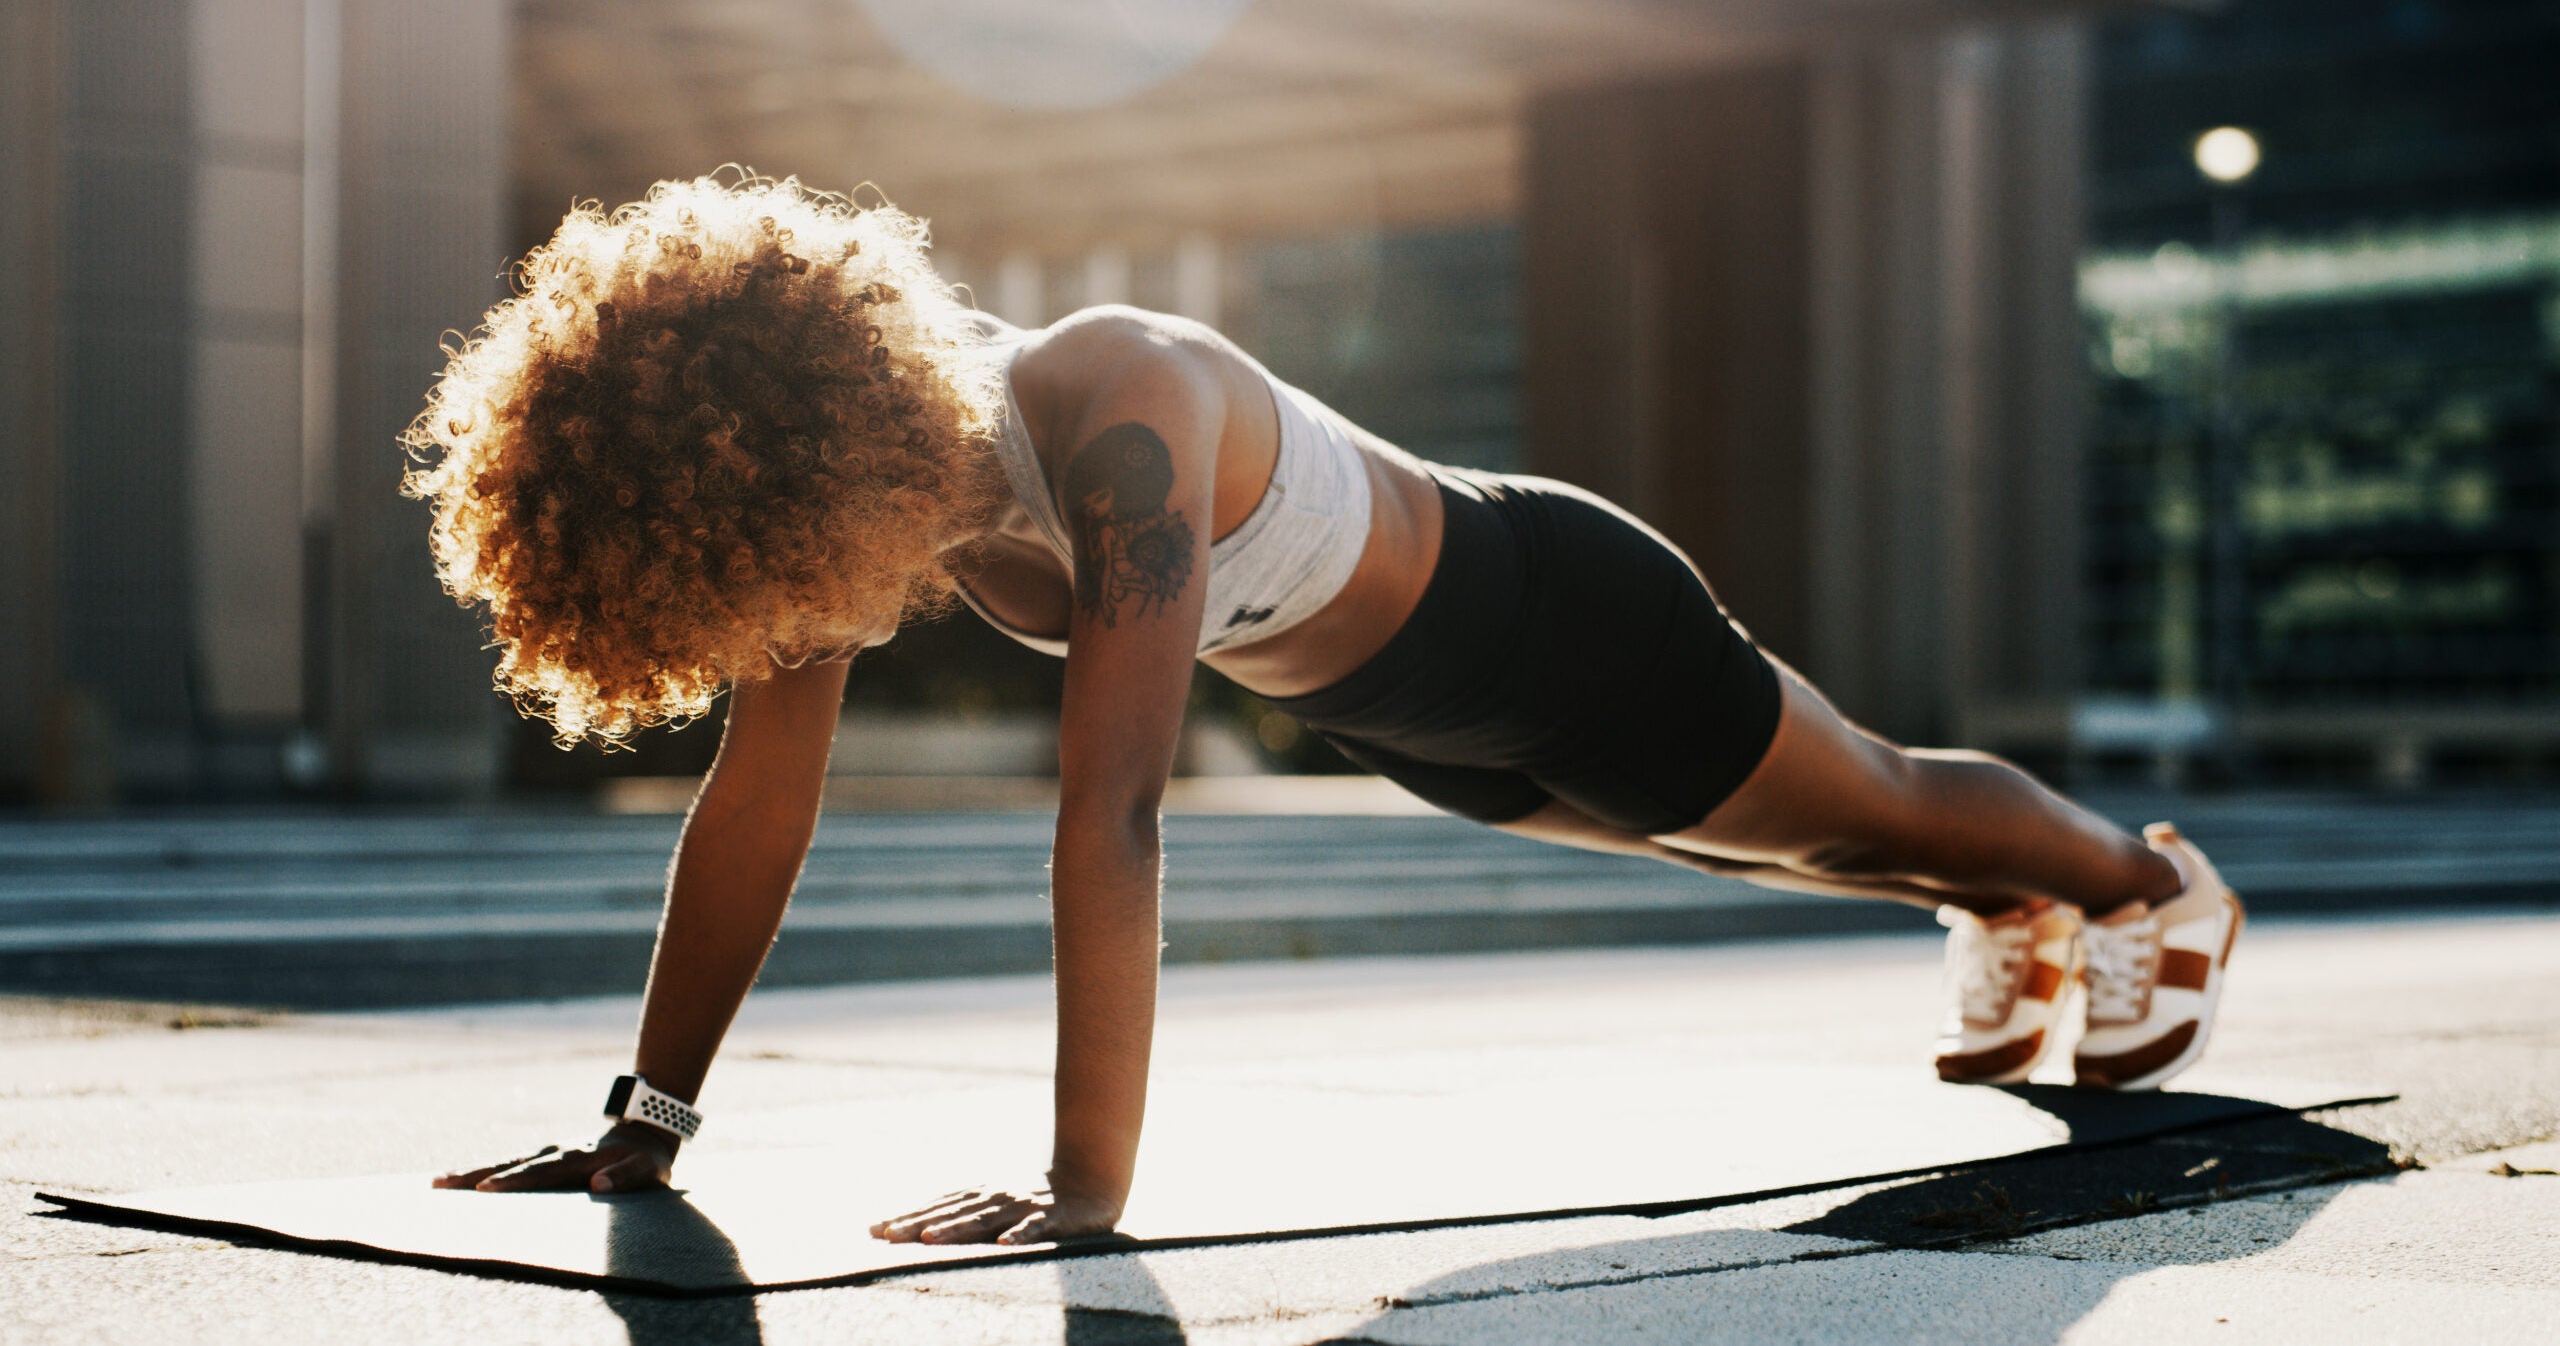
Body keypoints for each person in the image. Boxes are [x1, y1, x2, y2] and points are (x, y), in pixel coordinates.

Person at [415, 174, 2242, 1245]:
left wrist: (1082, 1190)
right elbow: (756, 807)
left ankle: (2143, 887)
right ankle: (2000, 905)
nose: (778, 624)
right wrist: (646, 1123)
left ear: (808, 430)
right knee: (1754, 848)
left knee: (1867, 795)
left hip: (1554, 620)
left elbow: (1114, 815)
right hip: (1403, 715)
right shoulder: (851, 527)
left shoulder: (1109, 396)